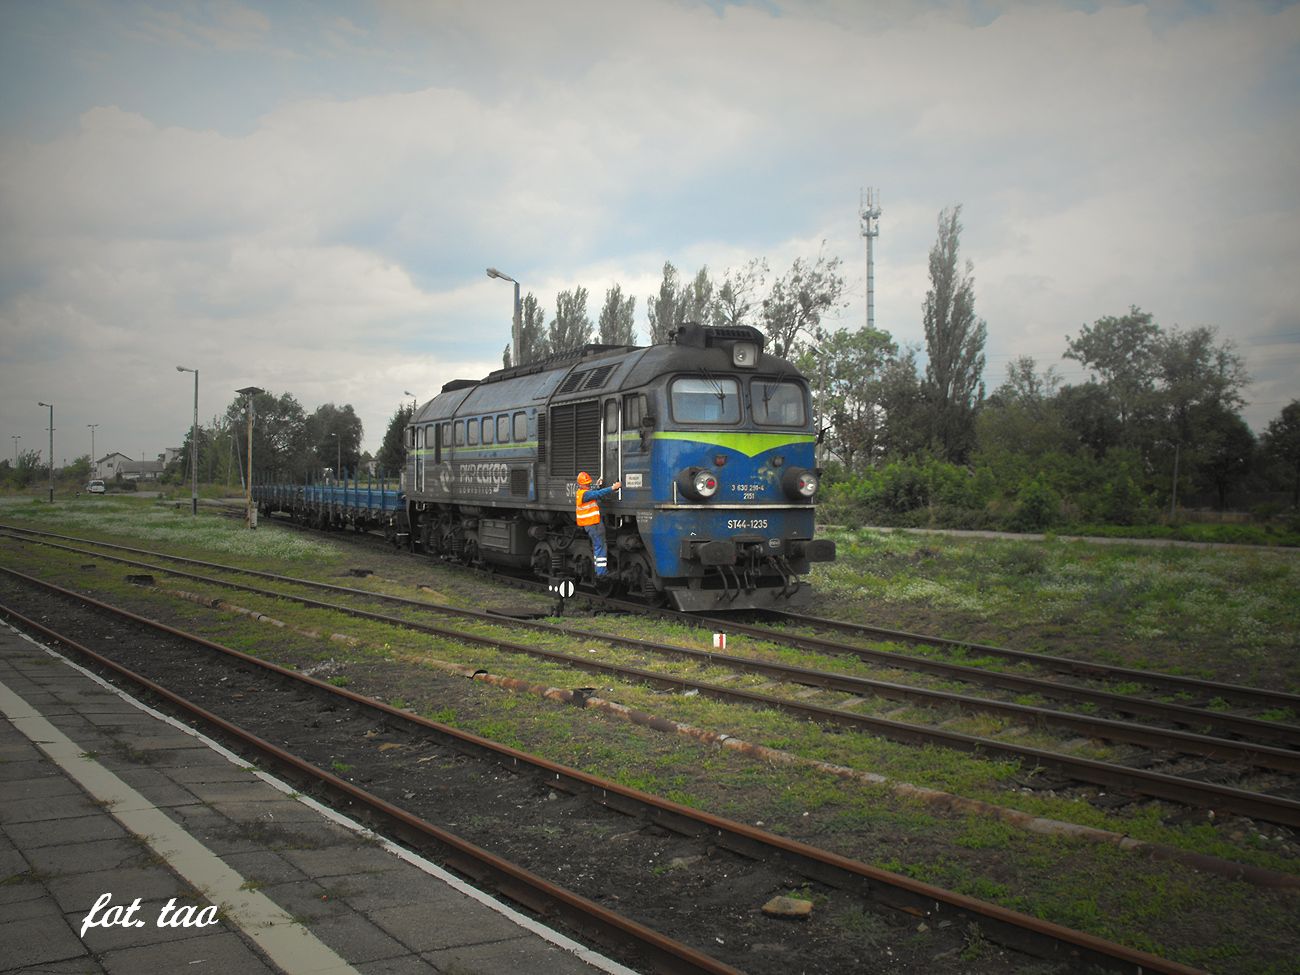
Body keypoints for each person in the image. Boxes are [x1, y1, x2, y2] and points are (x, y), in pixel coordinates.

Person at [575, 471, 621, 577]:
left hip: (591, 525)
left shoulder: (581, 493)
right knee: (600, 546)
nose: (588, 485)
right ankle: (601, 573)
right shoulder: (584, 494)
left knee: (598, 547)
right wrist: (613, 488)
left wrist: (597, 486)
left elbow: (593, 493)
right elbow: (596, 494)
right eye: (586, 484)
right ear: (580, 484)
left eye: (588, 483)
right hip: (593, 525)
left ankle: (598, 570)